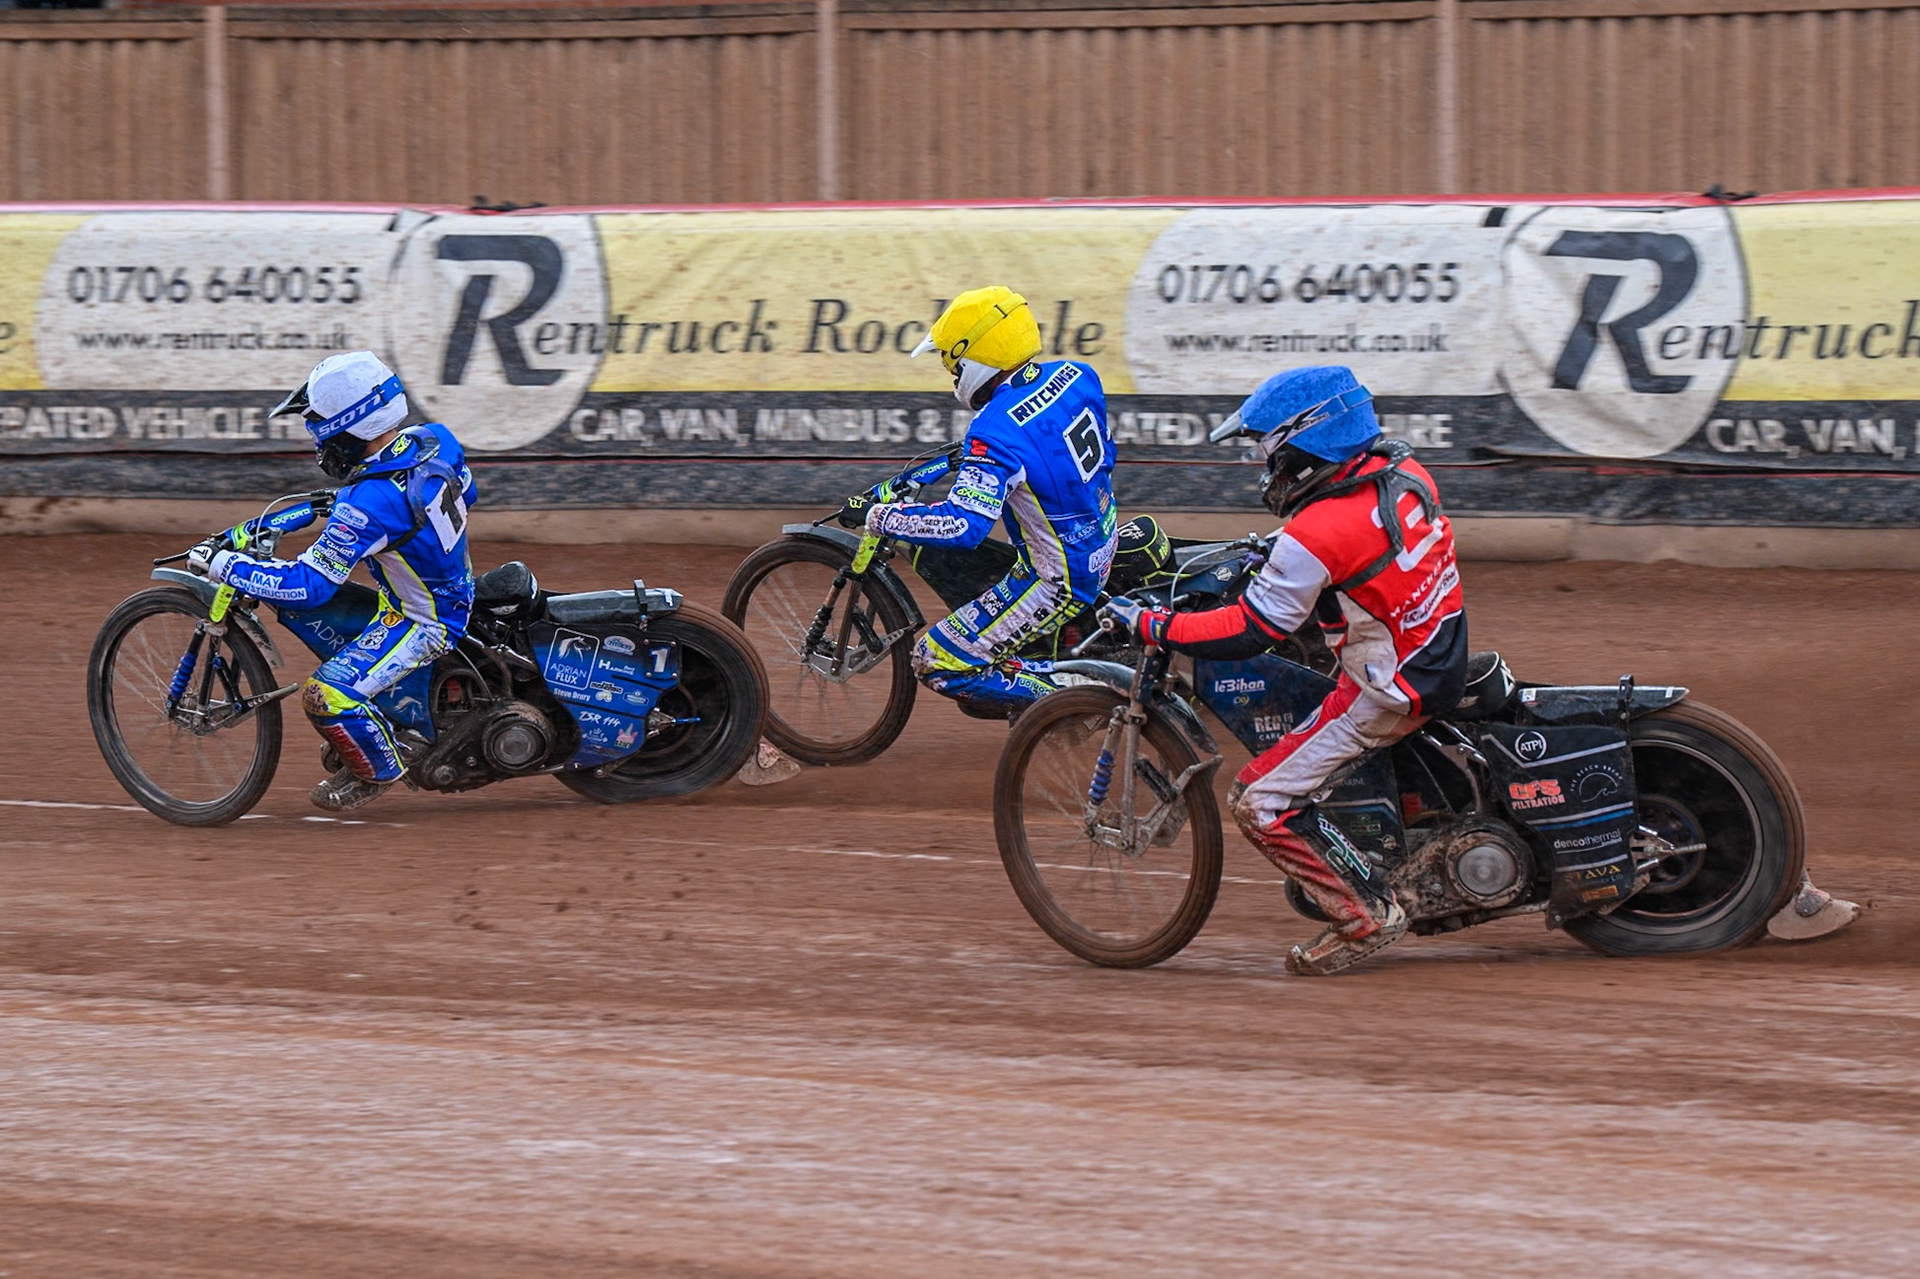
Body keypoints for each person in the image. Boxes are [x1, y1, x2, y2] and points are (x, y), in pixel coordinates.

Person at [1104, 366, 1467, 976]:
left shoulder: (1317, 534)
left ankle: (1364, 915)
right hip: (1435, 647)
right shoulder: (1403, 475)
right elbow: (1341, 546)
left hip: (1387, 691)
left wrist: (1154, 627)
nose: (1264, 467)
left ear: (1301, 443)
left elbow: (1252, 629)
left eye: (1266, 450)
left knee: (1255, 801)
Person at [187, 350, 478, 811]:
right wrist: (305, 517)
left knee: (327, 694)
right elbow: (436, 493)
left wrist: (223, 564)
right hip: (450, 584)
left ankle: (381, 768)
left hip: (424, 620)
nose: (315, 437)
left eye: (318, 425)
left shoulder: (369, 502)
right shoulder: (433, 440)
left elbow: (308, 586)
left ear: (349, 425)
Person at [837, 286, 1119, 712]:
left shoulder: (994, 431)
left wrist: (881, 517)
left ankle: (1078, 699)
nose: (949, 370)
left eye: (950, 358)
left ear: (975, 354)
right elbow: (1100, 457)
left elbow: (963, 526)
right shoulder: (1078, 376)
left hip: (1057, 579)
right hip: (1102, 535)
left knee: (935, 661)